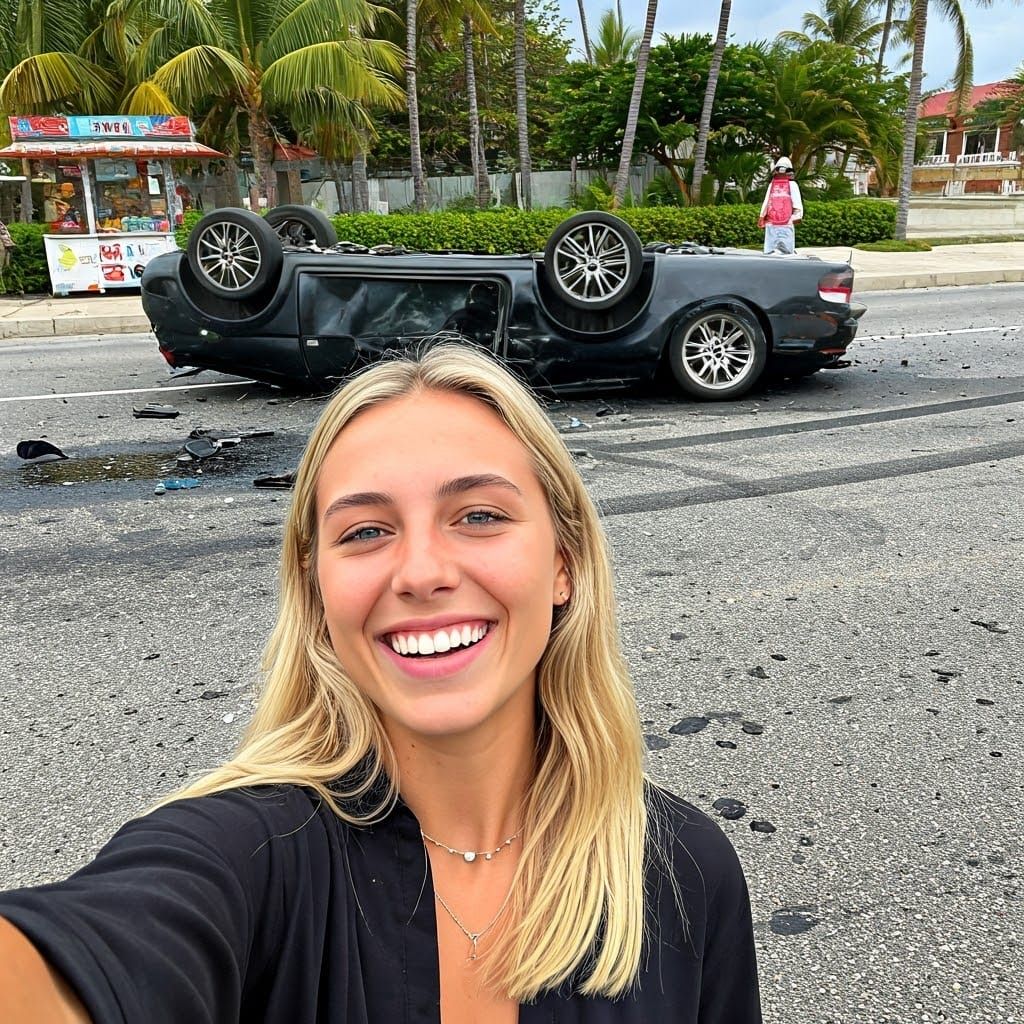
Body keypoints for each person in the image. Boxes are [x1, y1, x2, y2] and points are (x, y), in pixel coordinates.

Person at [0, 345, 762, 1023]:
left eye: (479, 515)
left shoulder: (685, 871)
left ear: (563, 563)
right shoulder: (245, 857)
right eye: (365, 531)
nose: (423, 572)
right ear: (318, 592)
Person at [758, 156, 804, 254]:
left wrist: (762, 217)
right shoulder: (779, 185)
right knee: (784, 253)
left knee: (773, 252)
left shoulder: (790, 185)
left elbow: (766, 203)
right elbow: (798, 207)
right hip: (780, 224)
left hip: (777, 224)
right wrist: (795, 218)